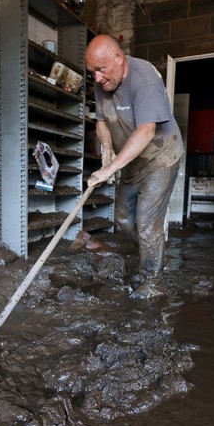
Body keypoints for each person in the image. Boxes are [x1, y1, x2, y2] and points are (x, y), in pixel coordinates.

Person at [85, 34, 185, 299]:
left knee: (146, 223)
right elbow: (102, 122)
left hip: (160, 158)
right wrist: (107, 149)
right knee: (124, 219)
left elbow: (146, 132)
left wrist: (109, 169)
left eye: (101, 70)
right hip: (131, 160)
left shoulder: (145, 79)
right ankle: (151, 252)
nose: (97, 79)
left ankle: (153, 281)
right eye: (92, 72)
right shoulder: (102, 80)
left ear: (119, 59)